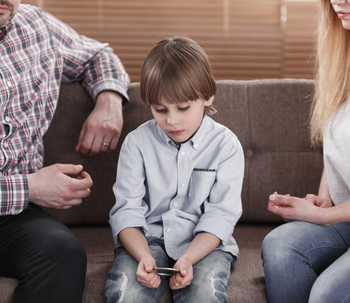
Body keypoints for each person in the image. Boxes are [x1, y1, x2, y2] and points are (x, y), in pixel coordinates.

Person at [0, 1, 129, 303]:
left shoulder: (34, 25)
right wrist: (30, 187)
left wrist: (108, 101)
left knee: (63, 255)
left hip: (12, 217)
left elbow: (97, 56)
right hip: (22, 193)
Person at [104, 36, 244, 303]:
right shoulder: (136, 143)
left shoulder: (226, 146)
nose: (171, 120)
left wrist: (189, 258)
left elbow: (220, 217)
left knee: (204, 295)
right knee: (126, 294)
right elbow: (126, 213)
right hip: (147, 241)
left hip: (204, 245)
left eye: (183, 108)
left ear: (207, 95)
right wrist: (144, 256)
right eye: (159, 109)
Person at [261, 0, 350, 302]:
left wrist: (321, 217)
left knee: (326, 296)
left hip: (341, 219)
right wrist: (324, 199)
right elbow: (338, 147)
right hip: (345, 218)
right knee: (280, 248)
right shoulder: (343, 61)